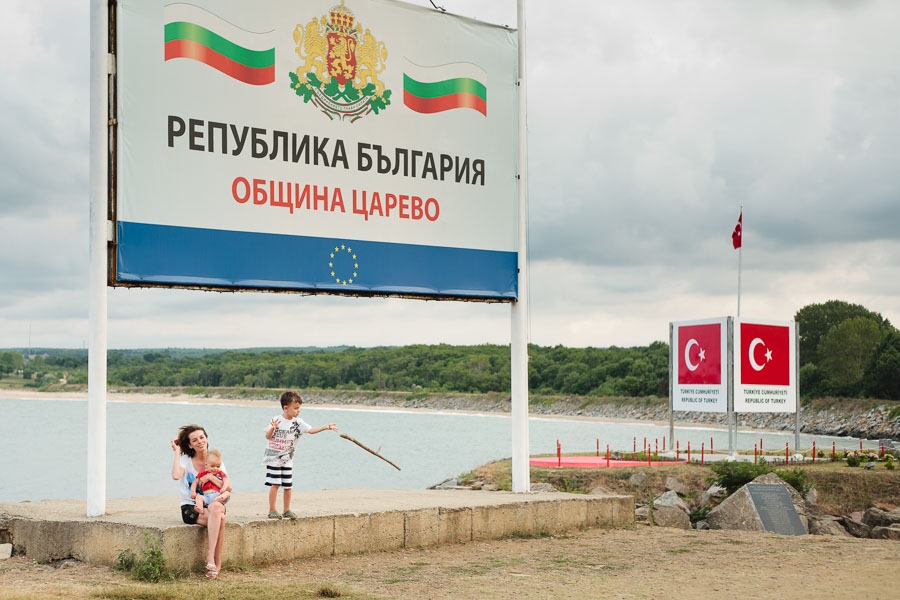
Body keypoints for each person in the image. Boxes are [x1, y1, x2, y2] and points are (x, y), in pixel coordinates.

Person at [263, 390, 338, 519]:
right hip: (274, 457)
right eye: (296, 408)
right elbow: (267, 436)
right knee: (275, 484)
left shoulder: (298, 422)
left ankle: (286, 510)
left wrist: (325, 427)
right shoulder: (276, 420)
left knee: (288, 485)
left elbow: (310, 430)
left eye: (299, 408)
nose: (298, 411)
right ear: (286, 408)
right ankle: (272, 510)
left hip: (288, 459)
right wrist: (272, 428)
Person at [172, 425, 229, 579]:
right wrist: (177, 451)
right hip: (191, 507)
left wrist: (210, 477)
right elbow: (176, 475)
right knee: (220, 518)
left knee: (217, 508)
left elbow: (228, 487)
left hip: (214, 503)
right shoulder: (185, 460)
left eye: (202, 437)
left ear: (207, 439)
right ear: (190, 445)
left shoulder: (215, 460)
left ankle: (211, 558)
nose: (199, 441)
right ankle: (216, 562)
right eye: (194, 440)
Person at [190, 448, 231, 514]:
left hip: (219, 494)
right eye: (212, 466)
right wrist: (193, 492)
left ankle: (219, 499)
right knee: (199, 497)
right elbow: (195, 482)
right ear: (206, 465)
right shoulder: (202, 474)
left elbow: (226, 480)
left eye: (218, 466)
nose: (215, 468)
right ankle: (200, 508)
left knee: (227, 493)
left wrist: (223, 488)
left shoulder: (220, 473)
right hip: (207, 496)